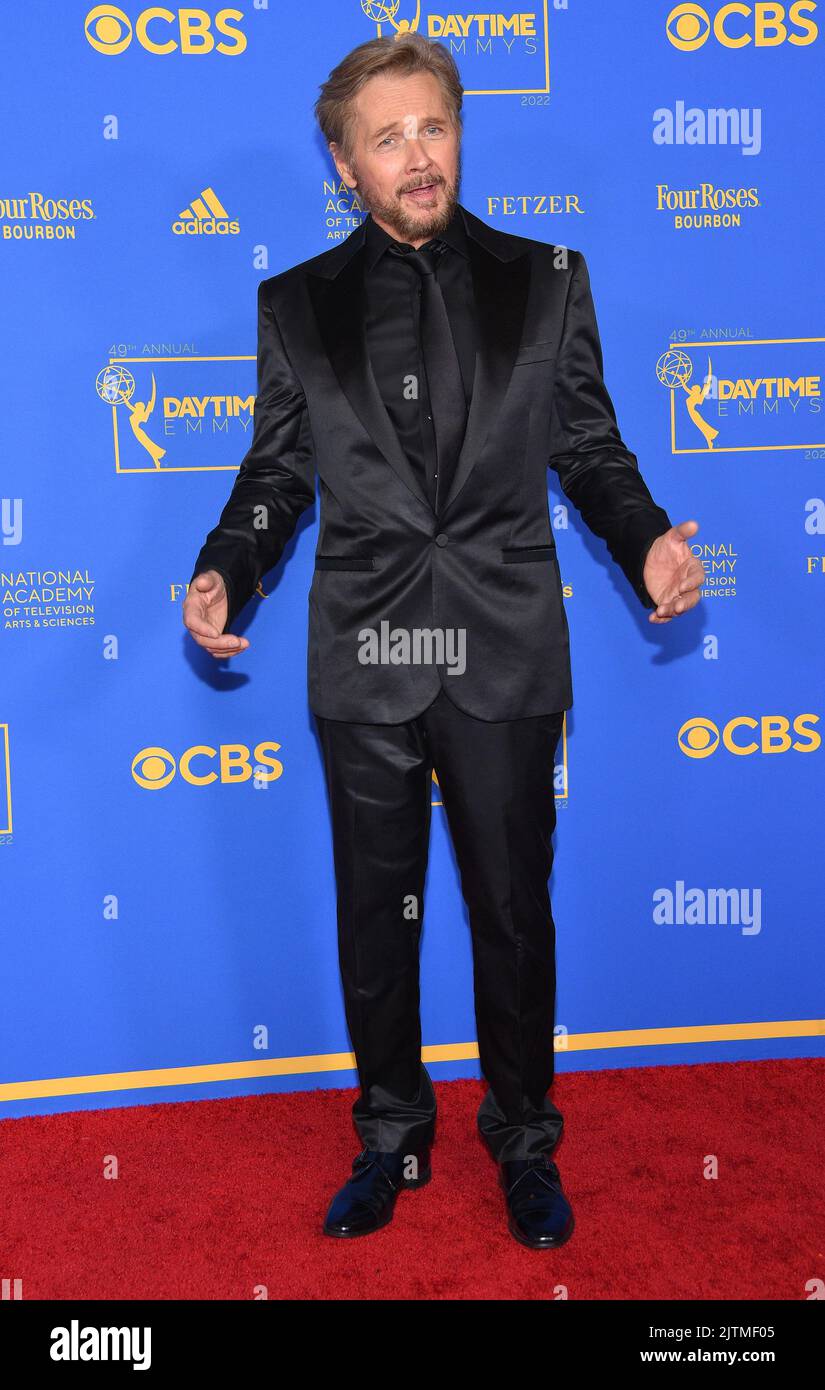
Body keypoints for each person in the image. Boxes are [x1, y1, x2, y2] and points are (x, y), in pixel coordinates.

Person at [183, 32, 704, 1249]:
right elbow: (276, 472)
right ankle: (391, 1135)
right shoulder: (295, 302)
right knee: (379, 911)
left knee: (514, 909)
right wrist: (226, 569)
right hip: (365, 648)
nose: (418, 158)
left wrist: (646, 549)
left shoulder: (550, 278)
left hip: (505, 641)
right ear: (344, 161)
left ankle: (524, 1141)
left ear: (459, 135)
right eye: (389, 138)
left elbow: (591, 447)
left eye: (435, 128)